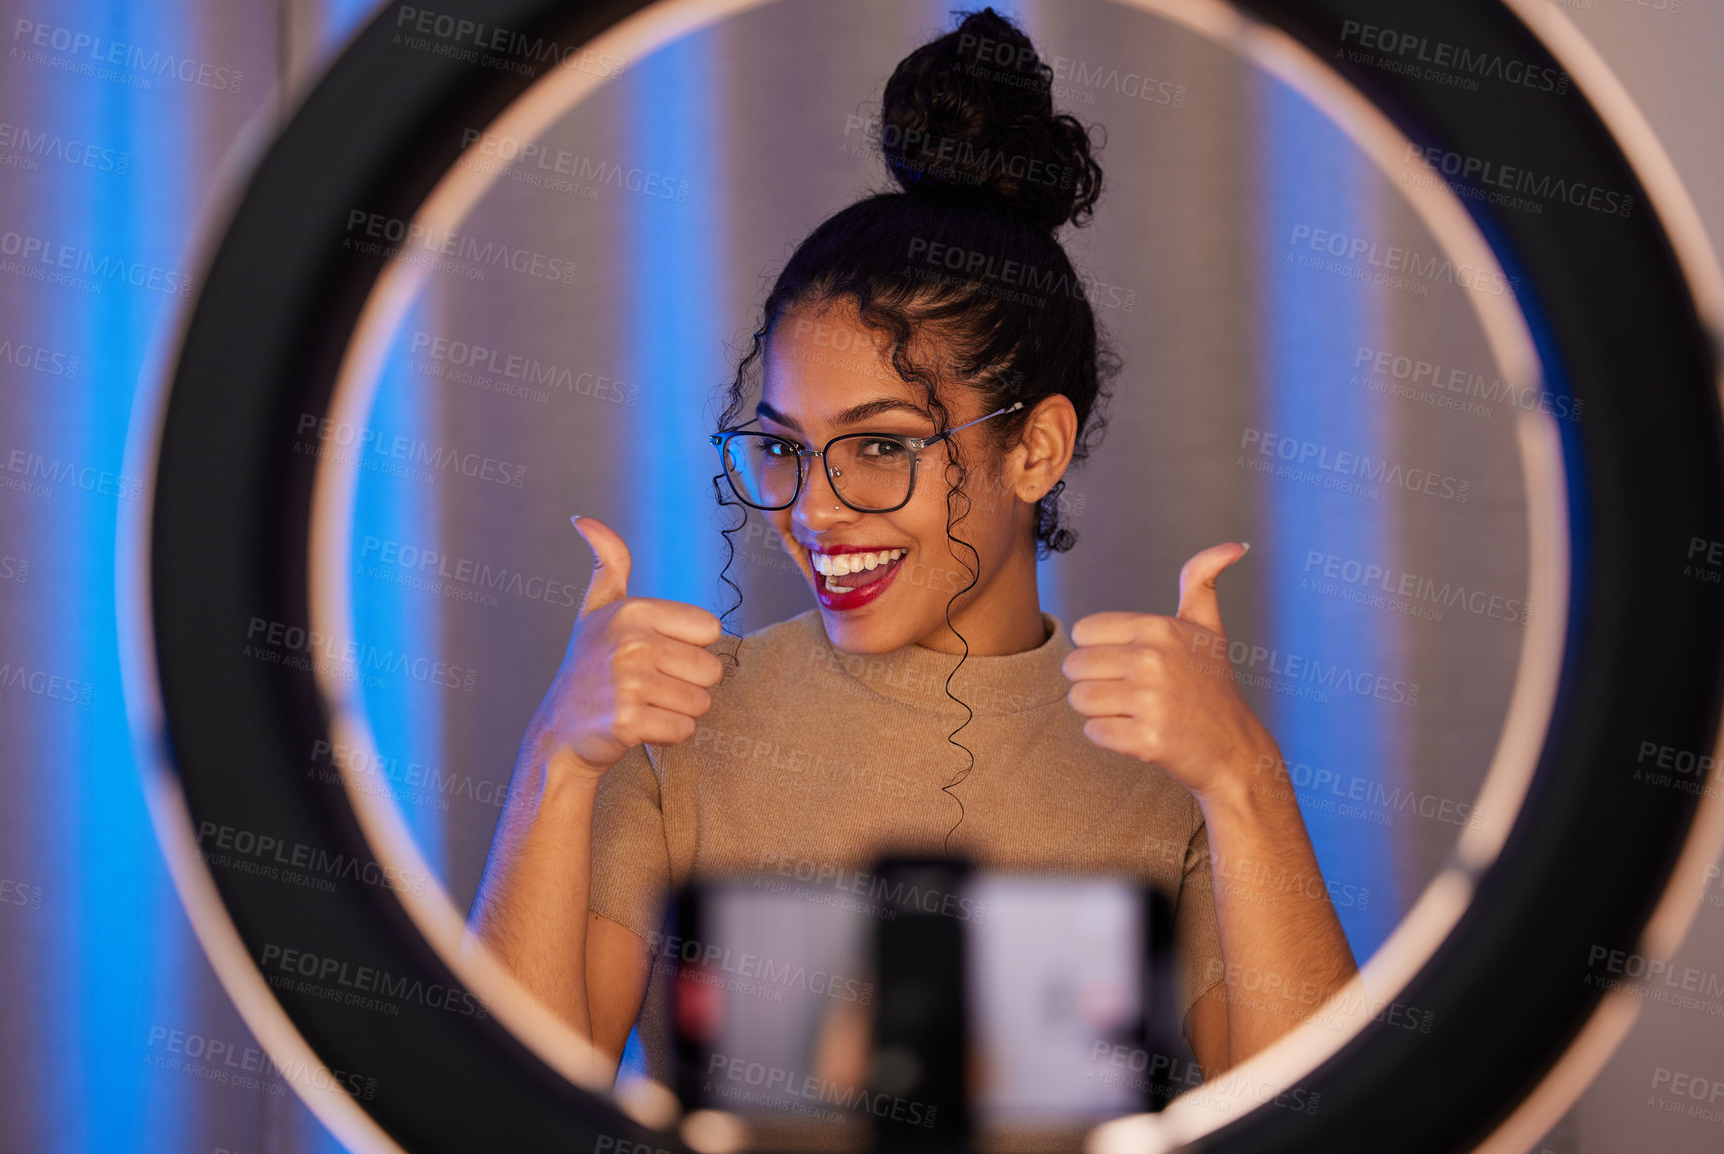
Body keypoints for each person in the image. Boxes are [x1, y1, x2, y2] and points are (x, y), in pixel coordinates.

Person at [470, 4, 1356, 1110]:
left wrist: (1245, 778)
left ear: (1035, 446)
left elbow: (1325, 1124)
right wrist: (555, 755)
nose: (815, 509)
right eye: (786, 448)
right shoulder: (678, 732)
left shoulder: (1169, 757)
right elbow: (491, 1115)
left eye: (883, 445)